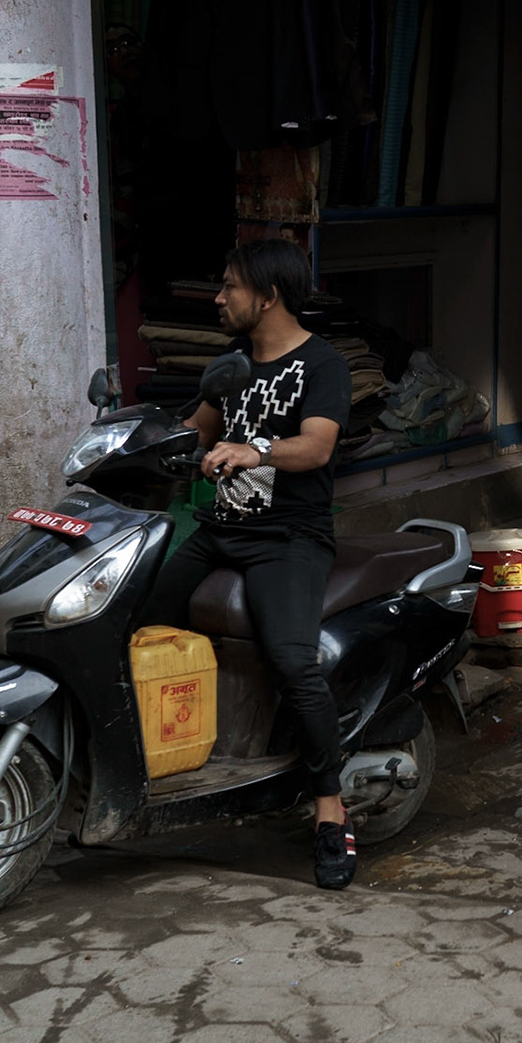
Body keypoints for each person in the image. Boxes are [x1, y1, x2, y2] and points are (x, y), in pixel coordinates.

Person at [140, 239, 356, 888]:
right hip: (219, 531)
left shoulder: (323, 364)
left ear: (266, 294)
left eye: (229, 286)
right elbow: (193, 430)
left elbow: (316, 449)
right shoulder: (231, 366)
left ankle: (329, 809)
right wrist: (130, 441)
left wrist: (254, 450)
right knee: (133, 618)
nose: (218, 297)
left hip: (288, 538)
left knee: (294, 658)